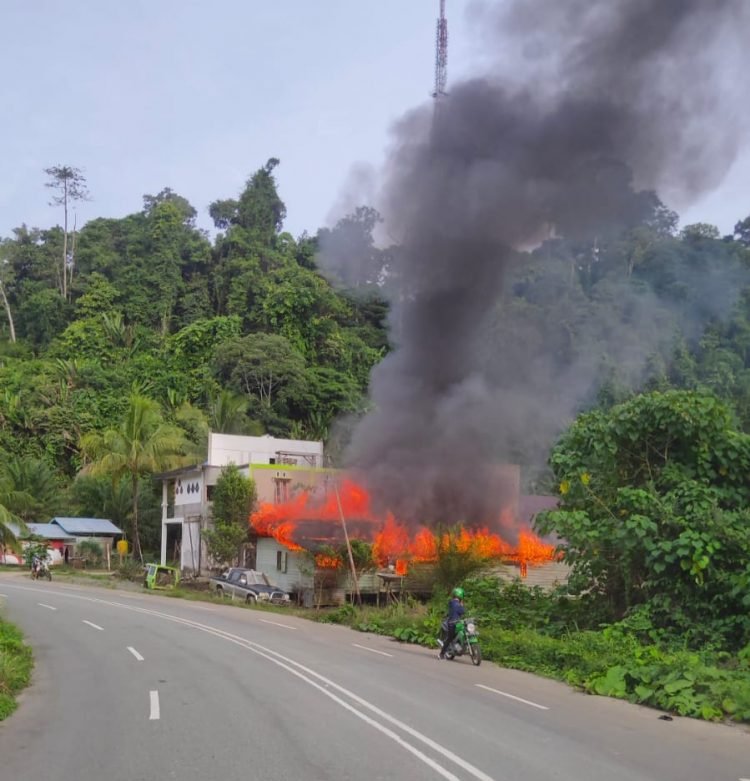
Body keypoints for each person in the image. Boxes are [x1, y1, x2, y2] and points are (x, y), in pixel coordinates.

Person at [438, 587, 465, 659]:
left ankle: (459, 647)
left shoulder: (452, 602)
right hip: (452, 623)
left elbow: (461, 612)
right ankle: (441, 654)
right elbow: (462, 611)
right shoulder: (454, 603)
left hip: (457, 623)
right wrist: (461, 605)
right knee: (449, 638)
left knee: (461, 634)